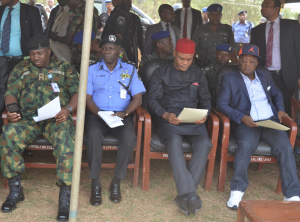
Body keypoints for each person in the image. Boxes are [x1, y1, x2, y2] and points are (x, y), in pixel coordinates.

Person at [0, 35, 79, 221]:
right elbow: (11, 92)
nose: (36, 57)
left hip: (57, 119)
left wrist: (68, 110)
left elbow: (77, 93)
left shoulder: (65, 68)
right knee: (9, 134)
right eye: (32, 54)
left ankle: (65, 197)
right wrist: (12, 110)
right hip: (28, 119)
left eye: (40, 53)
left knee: (66, 138)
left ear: (49, 51)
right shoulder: (21, 68)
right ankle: (15, 190)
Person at [216, 44, 300, 210]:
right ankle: (237, 190)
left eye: (252, 61)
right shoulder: (229, 78)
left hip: (269, 122)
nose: (248, 64)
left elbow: (277, 94)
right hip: (247, 123)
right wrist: (242, 117)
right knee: (246, 145)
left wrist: (281, 110)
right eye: (244, 60)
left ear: (257, 63)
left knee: (285, 147)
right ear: (238, 61)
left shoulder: (265, 75)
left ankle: (292, 194)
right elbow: (221, 104)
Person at [147, 38, 211, 216]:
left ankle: (184, 195)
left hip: (192, 119)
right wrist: (165, 114)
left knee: (204, 142)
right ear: (174, 54)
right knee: (174, 142)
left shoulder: (198, 74)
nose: (185, 63)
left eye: (189, 59)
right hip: (170, 118)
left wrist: (204, 114)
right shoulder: (161, 73)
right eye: (181, 58)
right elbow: (151, 100)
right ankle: (190, 195)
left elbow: (205, 99)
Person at [85, 34, 145, 206]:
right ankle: (95, 183)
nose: (107, 52)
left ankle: (116, 182)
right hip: (98, 114)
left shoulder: (130, 70)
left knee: (129, 138)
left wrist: (124, 113)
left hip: (121, 115)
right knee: (93, 136)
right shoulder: (92, 70)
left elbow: (138, 98)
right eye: (104, 48)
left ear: (119, 51)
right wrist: (99, 114)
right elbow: (88, 98)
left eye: (111, 48)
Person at [0, 0, 43, 137]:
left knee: (18, 99)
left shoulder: (31, 11)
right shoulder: (1, 10)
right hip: (0, 60)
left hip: (20, 61)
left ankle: (17, 138)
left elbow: (38, 39)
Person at [250, 0, 300, 115]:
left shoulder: (291, 26)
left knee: (284, 109)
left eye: (267, 5)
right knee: (265, 107)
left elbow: (298, 51)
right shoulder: (256, 30)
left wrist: (299, 76)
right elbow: (254, 56)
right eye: (262, 5)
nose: (263, 8)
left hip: (286, 76)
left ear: (277, 8)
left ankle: (284, 132)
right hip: (264, 75)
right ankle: (268, 131)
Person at [47, 0, 99, 72]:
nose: (67, 5)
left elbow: (68, 40)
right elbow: (99, 26)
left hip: (77, 52)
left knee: (75, 76)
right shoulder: (93, 9)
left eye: (68, 2)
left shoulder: (75, 12)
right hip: (91, 49)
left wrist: (53, 36)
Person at [192, 4, 237, 68]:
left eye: (218, 14)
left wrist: (236, 68)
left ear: (221, 15)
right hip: (203, 66)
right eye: (212, 14)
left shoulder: (227, 30)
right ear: (208, 15)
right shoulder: (200, 30)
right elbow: (193, 50)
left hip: (222, 67)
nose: (215, 17)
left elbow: (232, 50)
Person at [126, 0, 143, 66]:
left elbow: (140, 38)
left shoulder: (135, 18)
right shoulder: (114, 17)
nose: (129, 5)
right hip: (118, 52)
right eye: (126, 2)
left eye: (130, 3)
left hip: (132, 52)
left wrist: (143, 53)